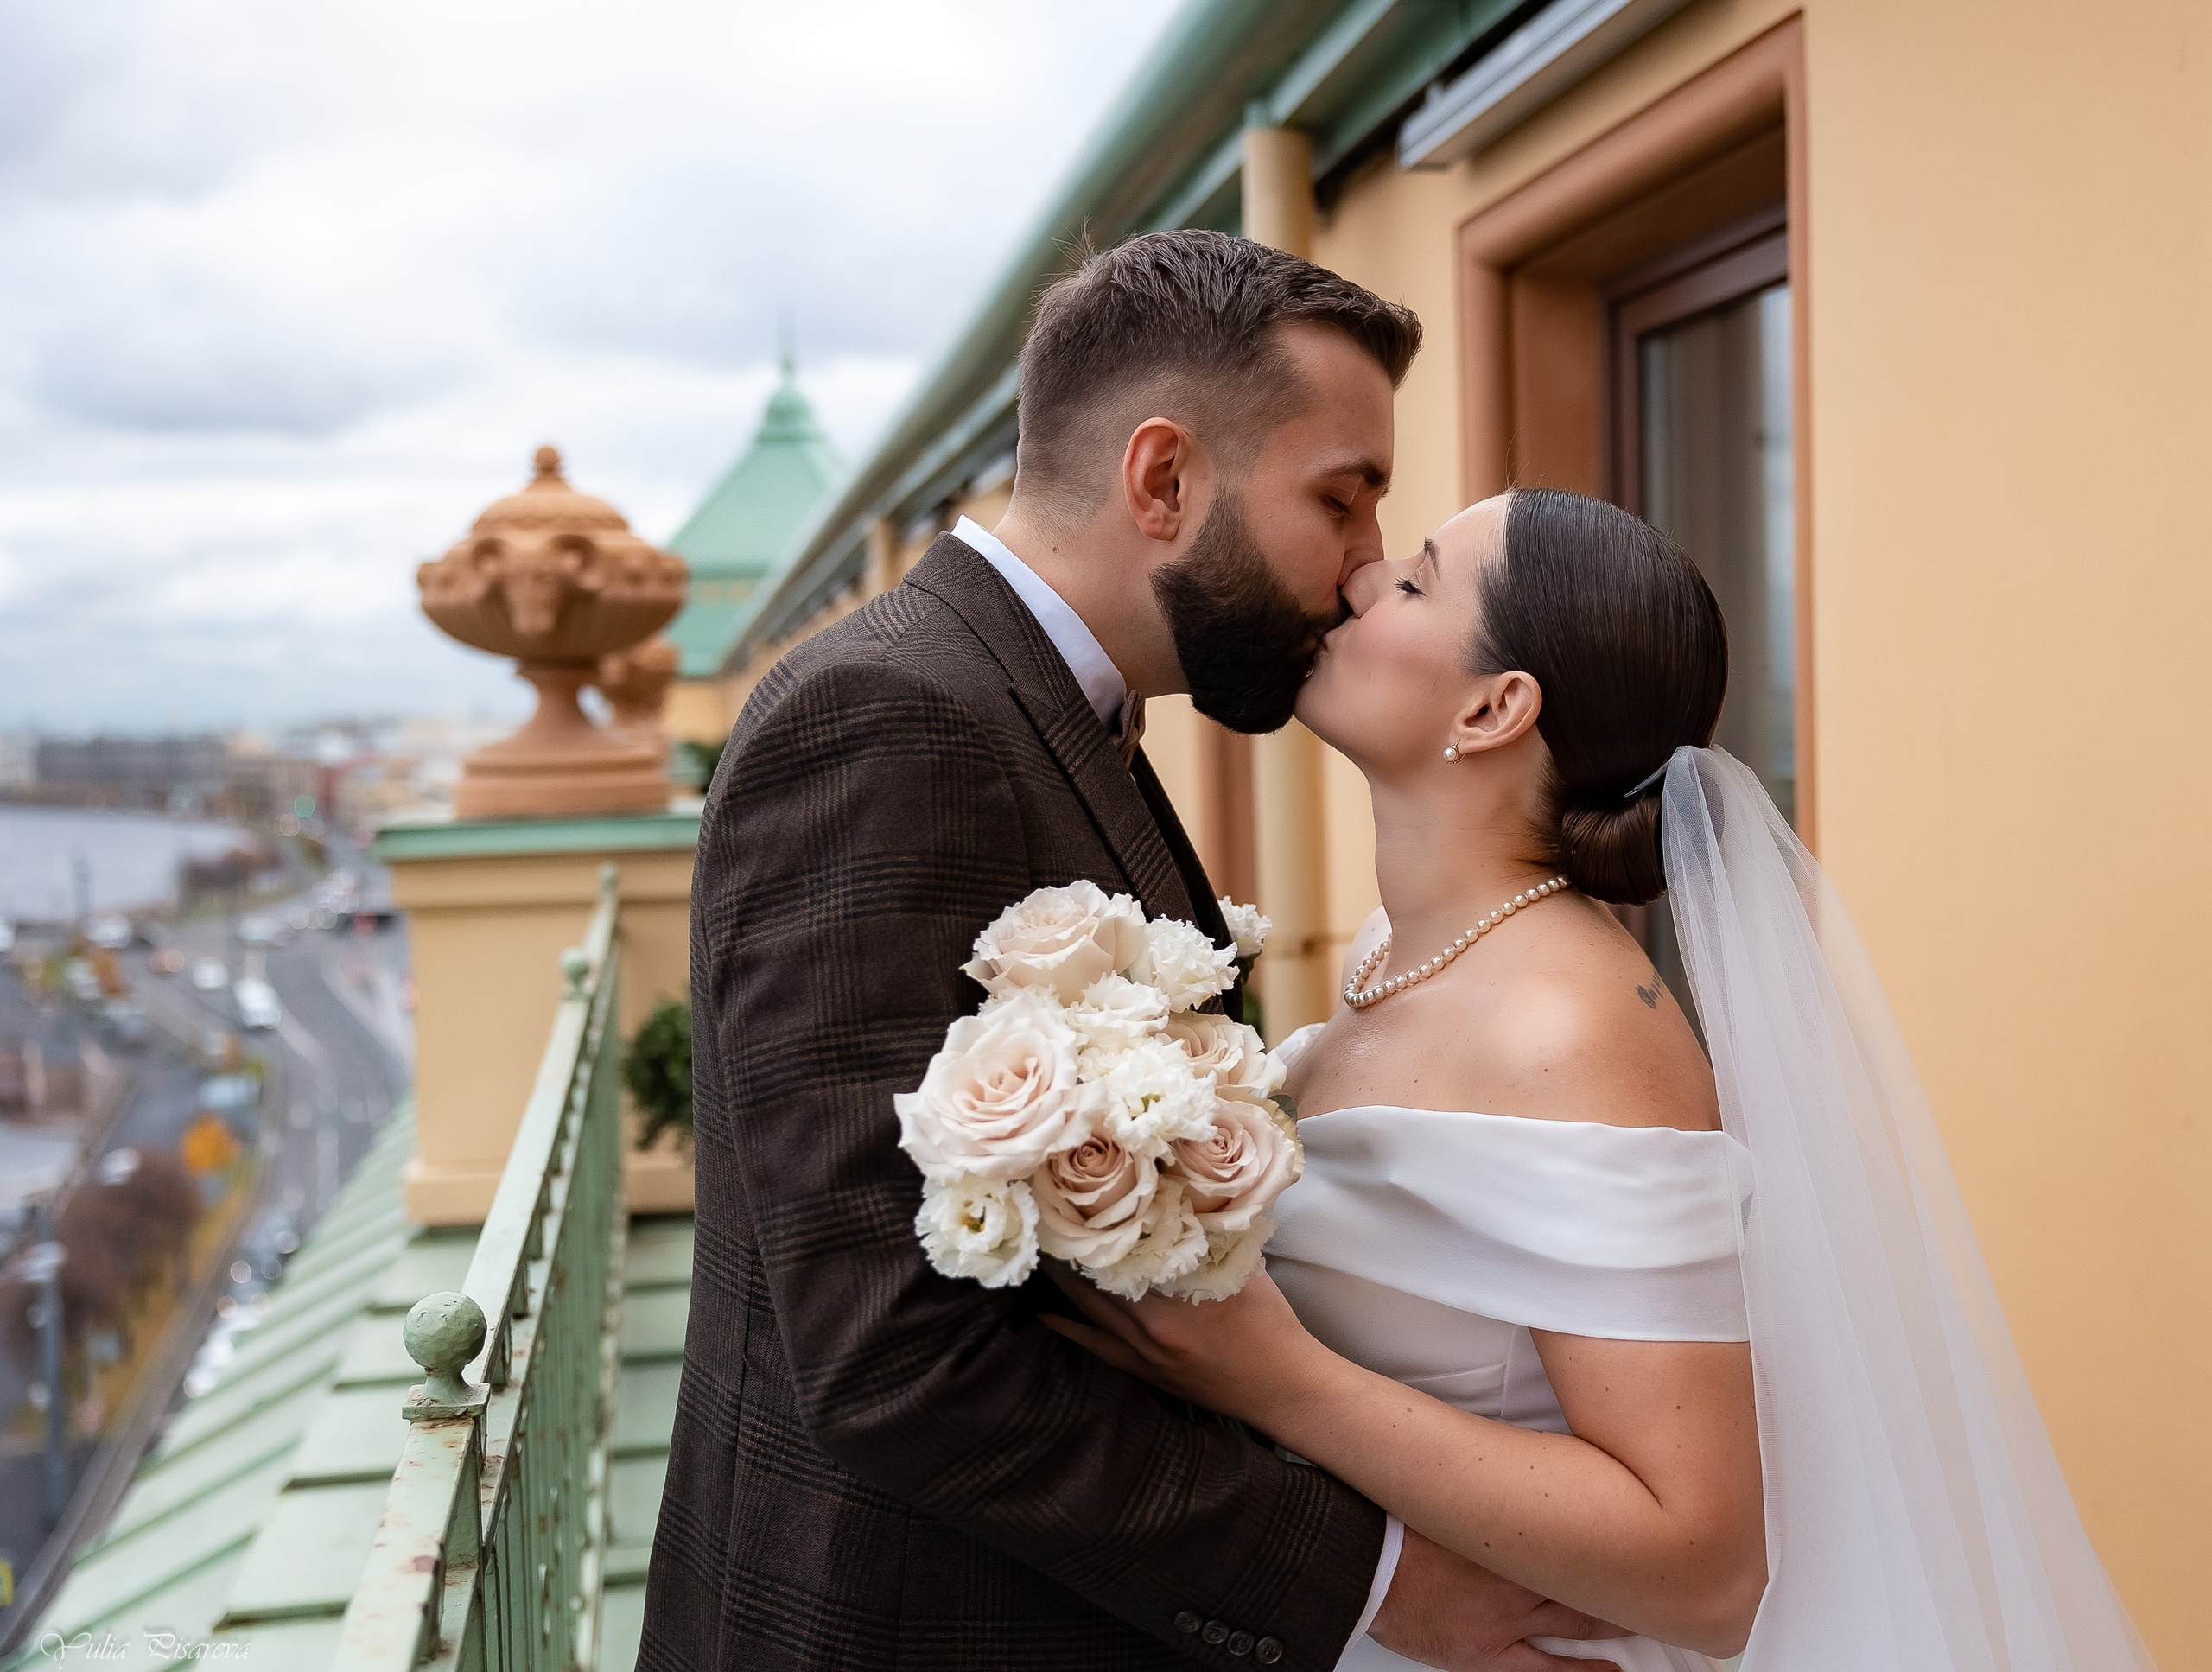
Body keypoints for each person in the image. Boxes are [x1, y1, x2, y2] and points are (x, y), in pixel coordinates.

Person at [642, 234, 1628, 1671]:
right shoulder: (889, 717)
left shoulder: (1047, 705)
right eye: (1340, 500)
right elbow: (893, 1354)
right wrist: (1372, 1583)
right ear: (1163, 479)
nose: (1363, 574)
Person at [1047, 488, 2158, 1670]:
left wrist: (1284, 1384)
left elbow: (1709, 1569)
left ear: (1493, 707)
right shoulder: (1392, 947)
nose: (1362, 579)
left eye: (1416, 581)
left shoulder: (1568, 1029)